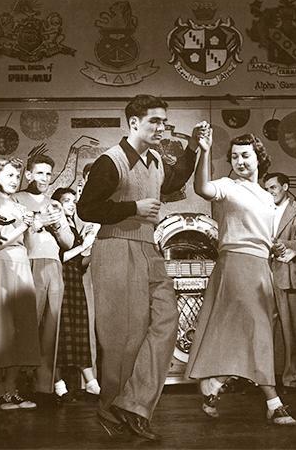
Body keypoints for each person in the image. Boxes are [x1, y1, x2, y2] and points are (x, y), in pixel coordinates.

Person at [77, 94, 204, 441]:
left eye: (164, 121)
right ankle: (109, 409)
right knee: (123, 338)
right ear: (134, 122)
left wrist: (194, 147)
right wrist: (132, 207)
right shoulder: (110, 161)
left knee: (166, 322)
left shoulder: (155, 160)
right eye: (155, 121)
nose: (162, 127)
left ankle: (132, 404)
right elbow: (86, 209)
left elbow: (174, 181)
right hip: (116, 248)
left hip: (148, 248)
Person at [186, 133, 296, 426]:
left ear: (259, 157)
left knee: (250, 330)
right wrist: (205, 151)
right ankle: (273, 403)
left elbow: (262, 233)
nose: (240, 161)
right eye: (235, 156)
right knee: (257, 330)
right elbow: (202, 187)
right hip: (236, 263)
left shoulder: (266, 196)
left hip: (261, 265)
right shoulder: (226, 186)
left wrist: (275, 247)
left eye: (245, 155)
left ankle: (215, 382)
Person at [14, 154, 74, 400]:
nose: (45, 178)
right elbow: (16, 239)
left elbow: (69, 243)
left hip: (54, 266)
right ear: (28, 174)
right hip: (28, 264)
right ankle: (15, 387)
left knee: (51, 328)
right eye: (39, 173)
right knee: (25, 327)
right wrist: (38, 222)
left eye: (48, 174)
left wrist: (58, 223)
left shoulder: (53, 203)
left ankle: (44, 387)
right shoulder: (16, 199)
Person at [0, 158, 40, 410]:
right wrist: (22, 227)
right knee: (2, 330)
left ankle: (12, 391)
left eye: (16, 176)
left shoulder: (18, 205)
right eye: (8, 175)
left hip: (22, 266)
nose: (13, 180)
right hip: (1, 266)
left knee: (23, 329)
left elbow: (26, 241)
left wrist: (34, 226)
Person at [263, 172, 296, 394]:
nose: (270, 192)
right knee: (267, 329)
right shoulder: (263, 209)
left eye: (273, 187)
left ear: (285, 186)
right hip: (264, 274)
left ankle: (292, 379)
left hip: (289, 274)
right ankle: (268, 377)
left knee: (291, 330)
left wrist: (280, 243)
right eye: (267, 188)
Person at [50, 187, 100, 402]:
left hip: (74, 281)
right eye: (66, 200)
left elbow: (80, 264)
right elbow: (61, 257)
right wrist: (84, 246)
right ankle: (57, 382)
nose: (71, 204)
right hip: (59, 278)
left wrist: (90, 244)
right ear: (56, 204)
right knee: (60, 331)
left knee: (78, 330)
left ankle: (90, 382)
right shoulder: (53, 226)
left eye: (73, 201)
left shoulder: (73, 227)